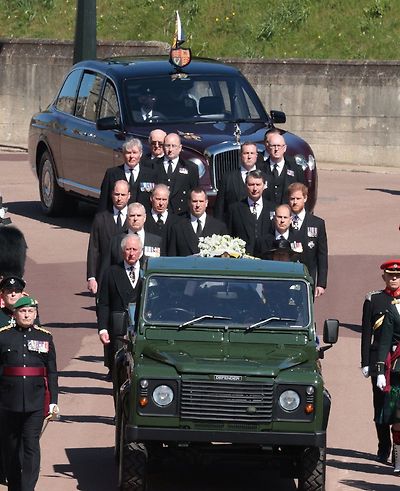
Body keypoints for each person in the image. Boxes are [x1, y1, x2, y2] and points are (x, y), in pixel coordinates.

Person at [0, 296, 58, 491]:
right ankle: (15, 486)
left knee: (31, 445)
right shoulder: (3, 336)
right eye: (23, 311)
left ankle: (28, 488)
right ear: (15, 314)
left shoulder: (45, 337)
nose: (27, 315)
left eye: (30, 311)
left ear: (36, 314)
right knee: (11, 447)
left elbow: (52, 372)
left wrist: (53, 402)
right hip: (9, 401)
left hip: (35, 401)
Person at [361, 260, 400, 464]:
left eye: (397, 275)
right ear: (384, 277)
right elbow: (367, 332)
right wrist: (366, 362)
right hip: (380, 360)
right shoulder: (374, 299)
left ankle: (398, 449)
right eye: (390, 275)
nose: (394, 278)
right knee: (381, 404)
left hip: (399, 361)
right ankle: (383, 445)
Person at [98, 235, 143, 376]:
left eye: (134, 249)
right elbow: (104, 303)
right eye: (128, 249)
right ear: (122, 251)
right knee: (119, 370)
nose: (131, 253)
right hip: (118, 328)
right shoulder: (111, 272)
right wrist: (102, 329)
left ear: (140, 251)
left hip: (141, 327)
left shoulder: (148, 271)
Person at [376, 262, 400, 473]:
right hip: (398, 368)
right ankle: (398, 459)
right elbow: (384, 340)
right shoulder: (394, 308)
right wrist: (380, 370)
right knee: (397, 417)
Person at [87, 180, 130, 296]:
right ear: (112, 194)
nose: (119, 198)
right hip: (104, 276)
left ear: (129, 195)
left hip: (127, 276)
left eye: (123, 195)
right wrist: (91, 277)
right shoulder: (100, 219)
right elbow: (94, 248)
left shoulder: (134, 219)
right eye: (116, 194)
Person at [288, 182, 328, 298]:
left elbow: (322, 255)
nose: (295, 202)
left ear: (305, 198)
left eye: (298, 198)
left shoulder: (317, 223)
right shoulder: (282, 220)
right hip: (287, 277)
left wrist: (321, 283)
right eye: (292, 199)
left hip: (307, 279)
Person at [98, 138, 157, 213]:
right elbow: (103, 201)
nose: (131, 156)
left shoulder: (151, 175)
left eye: (134, 152)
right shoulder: (112, 174)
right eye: (128, 153)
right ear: (123, 154)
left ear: (140, 154)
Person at [214, 142, 266, 222]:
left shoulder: (266, 177)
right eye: (246, 153)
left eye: (252, 153)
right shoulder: (227, 178)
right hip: (234, 226)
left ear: (256, 156)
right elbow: (220, 207)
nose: (249, 156)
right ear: (240, 155)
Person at [167, 187, 228, 256]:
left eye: (201, 201)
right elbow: (172, 256)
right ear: (189, 203)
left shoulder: (219, 227)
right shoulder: (178, 227)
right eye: (195, 201)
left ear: (206, 203)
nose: (198, 205)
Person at [227, 170, 275, 257]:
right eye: (251, 185)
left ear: (264, 186)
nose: (255, 188)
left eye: (258, 185)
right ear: (246, 186)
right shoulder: (234, 209)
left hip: (267, 259)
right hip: (242, 259)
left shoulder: (273, 208)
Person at [103, 202, 162, 271]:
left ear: (145, 217)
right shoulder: (116, 241)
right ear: (127, 218)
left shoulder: (156, 241)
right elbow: (106, 269)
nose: (135, 219)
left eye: (139, 215)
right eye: (132, 215)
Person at [153, 133, 199, 215]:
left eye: (173, 146)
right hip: (158, 215)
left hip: (181, 216)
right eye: (167, 146)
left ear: (180, 148)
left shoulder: (191, 168)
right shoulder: (152, 166)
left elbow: (195, 195)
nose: (170, 149)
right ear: (163, 146)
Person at [258, 129, 305, 206]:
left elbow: (302, 193)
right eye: (273, 146)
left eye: (279, 146)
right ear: (268, 147)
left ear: (285, 148)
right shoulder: (260, 169)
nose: (276, 149)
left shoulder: (296, 169)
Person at [144, 184, 182, 255]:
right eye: (158, 199)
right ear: (151, 198)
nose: (161, 203)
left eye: (164, 199)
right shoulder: (144, 220)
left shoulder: (178, 222)